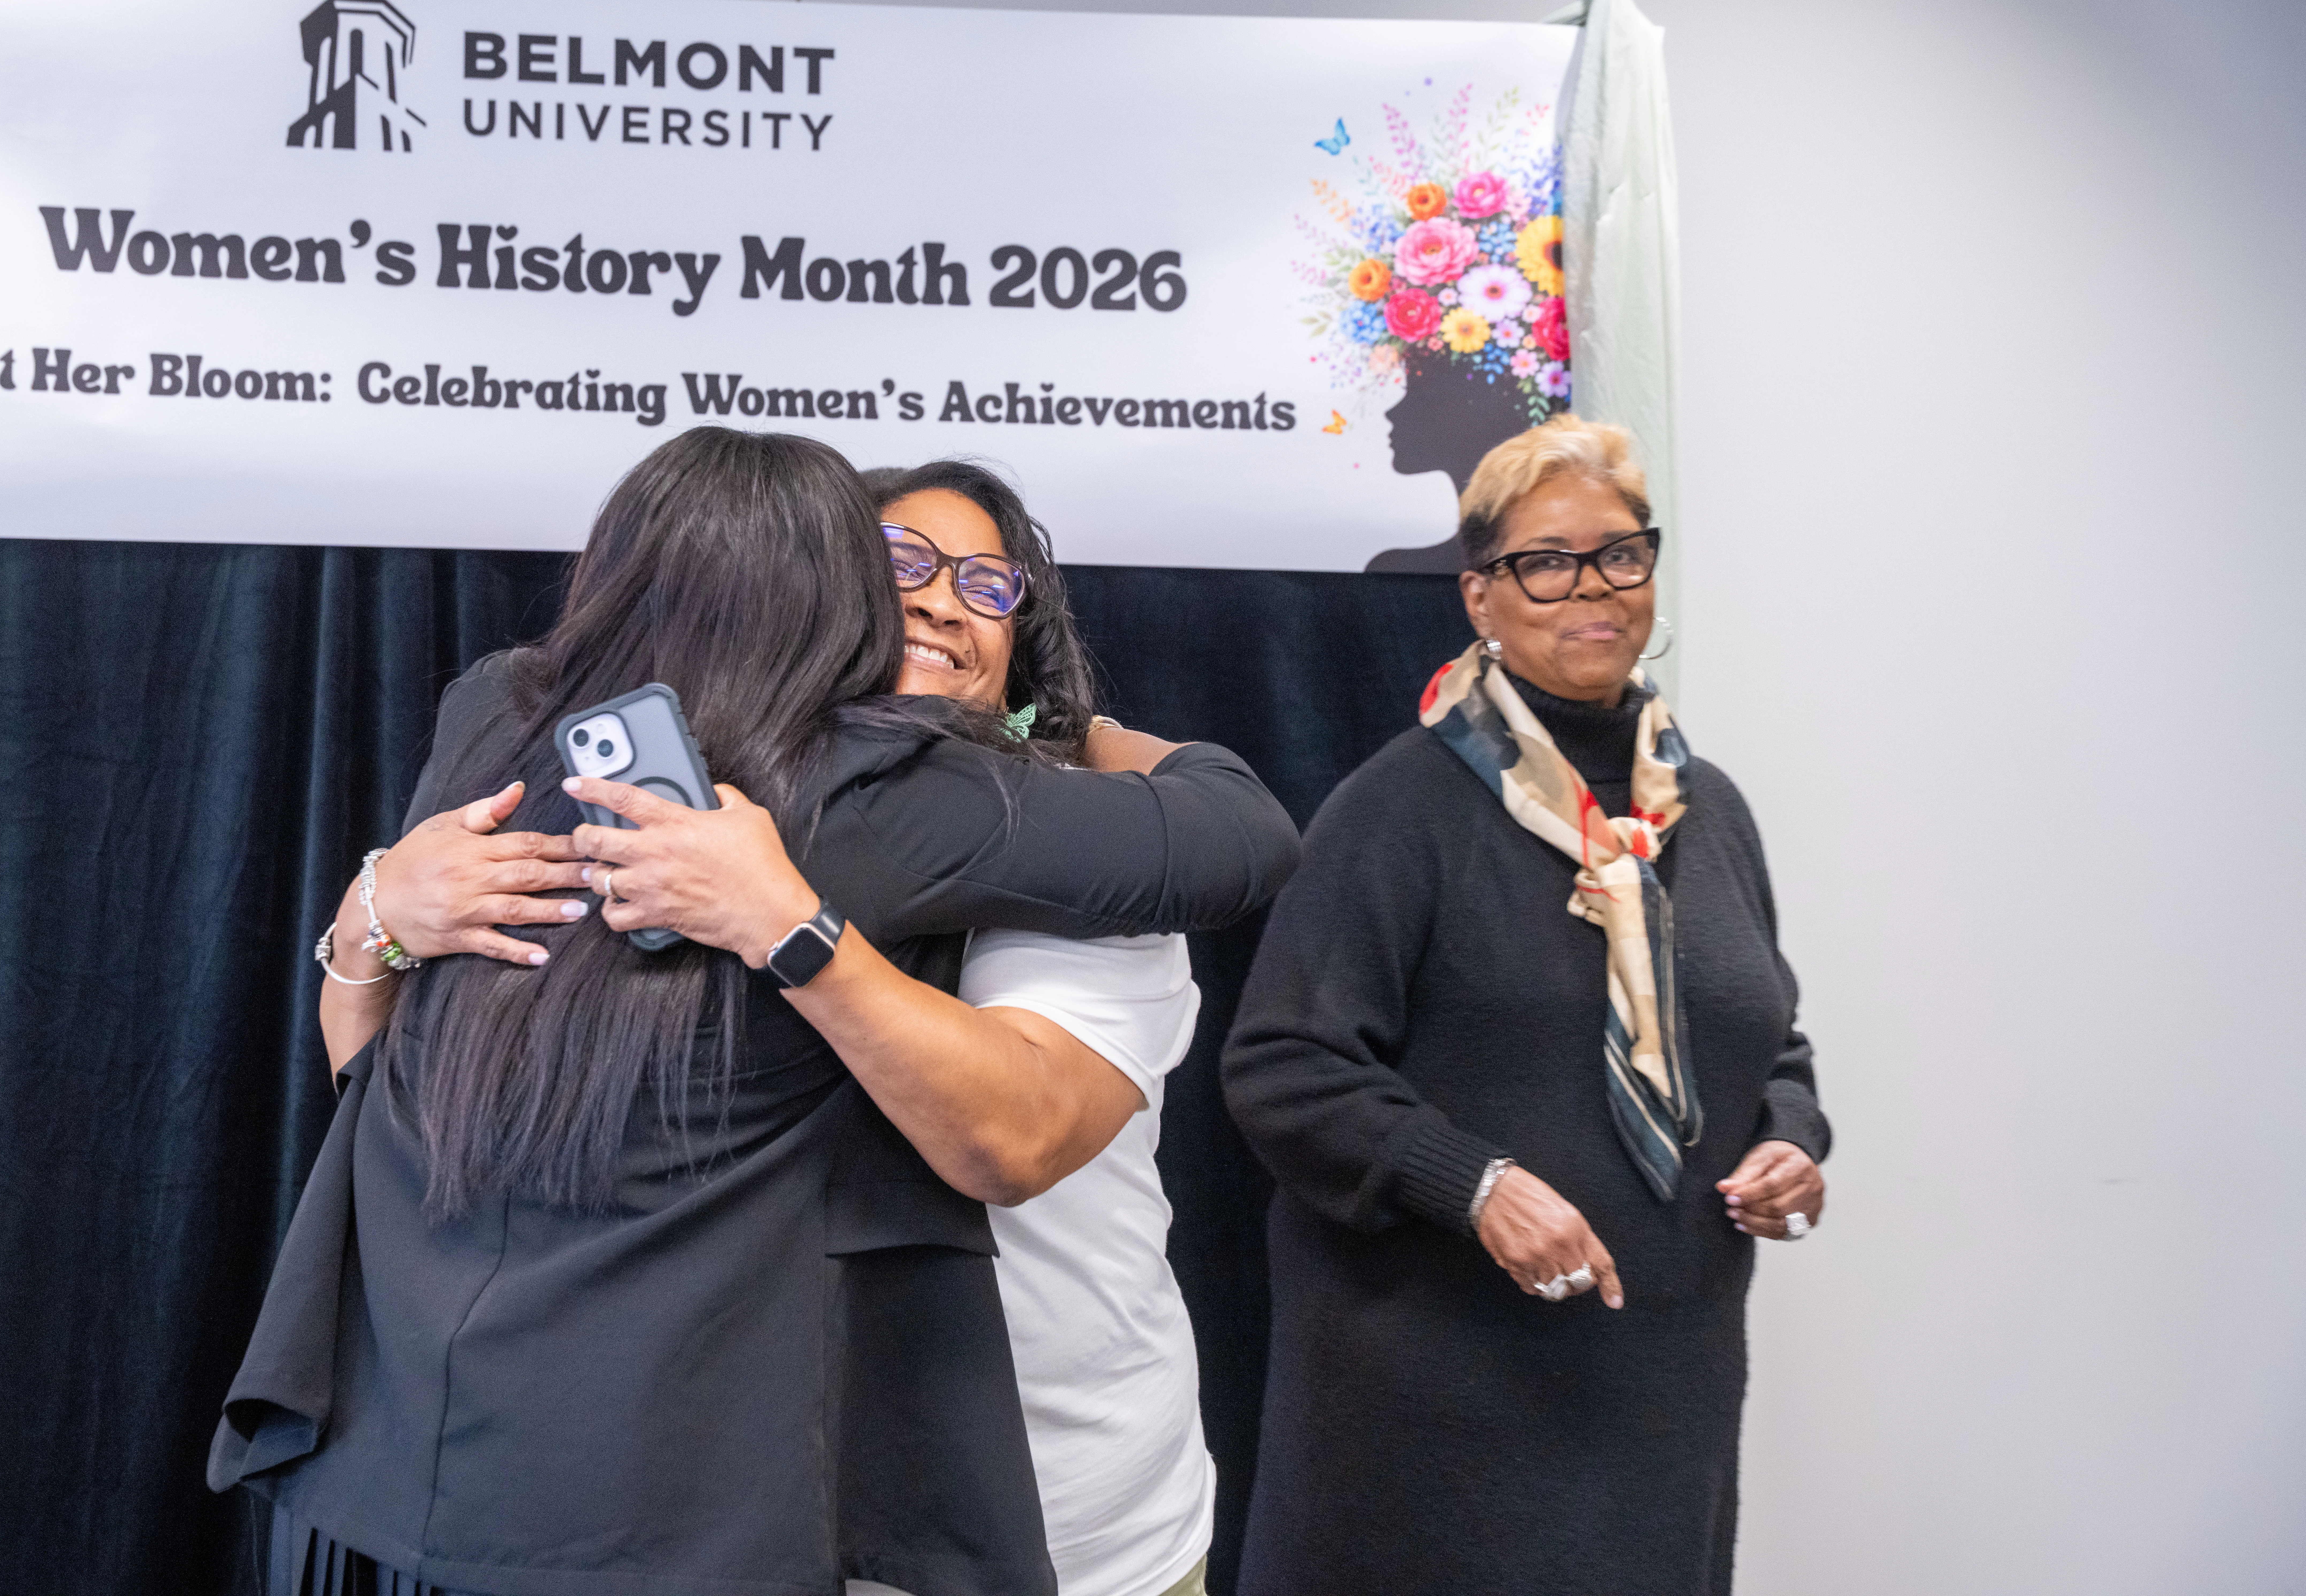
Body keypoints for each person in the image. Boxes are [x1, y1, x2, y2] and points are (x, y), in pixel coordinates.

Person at [209, 428, 1298, 1596]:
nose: (940, 608)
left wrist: (1068, 745)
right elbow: (1244, 831)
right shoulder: (883, 794)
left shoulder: (497, 719)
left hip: (421, 1473)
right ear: (840, 599)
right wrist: (375, 908)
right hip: (688, 1503)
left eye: (987, 589)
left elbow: (1015, 1137)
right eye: (904, 568)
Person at [1220, 415, 1831, 1595]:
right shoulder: (1400, 810)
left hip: (1661, 1391)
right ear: (1480, 599)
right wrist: (1477, 1187)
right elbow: (1285, 1065)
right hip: (1435, 1412)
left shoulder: (1710, 812)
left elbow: (1772, 1046)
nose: (1590, 587)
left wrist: (1793, 1143)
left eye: (1621, 553)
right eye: (1545, 562)